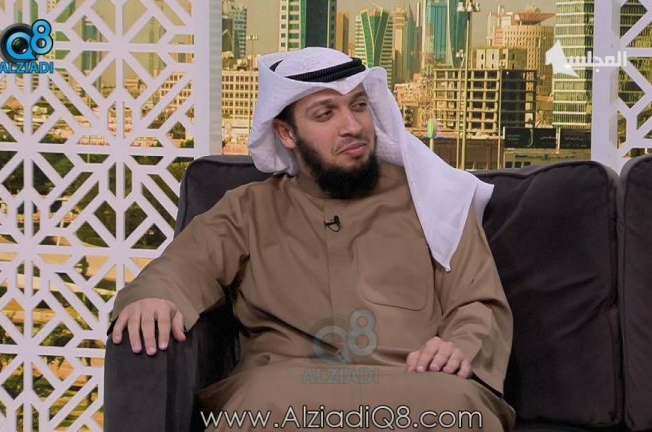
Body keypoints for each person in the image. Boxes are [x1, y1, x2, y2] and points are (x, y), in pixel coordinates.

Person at [109, 47, 514, 431]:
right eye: (326, 114)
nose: (352, 126)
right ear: (286, 133)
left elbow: (476, 301)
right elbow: (186, 265)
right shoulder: (250, 209)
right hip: (287, 389)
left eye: (359, 106)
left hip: (414, 386)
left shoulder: (434, 200)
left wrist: (459, 346)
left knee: (460, 407)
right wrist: (156, 297)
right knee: (256, 403)